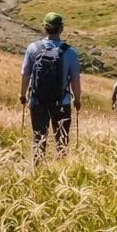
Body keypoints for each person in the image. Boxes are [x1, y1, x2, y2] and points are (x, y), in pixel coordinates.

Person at [19, 11, 82, 160]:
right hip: (62, 102)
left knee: (39, 139)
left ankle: (38, 168)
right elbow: (75, 79)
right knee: (62, 140)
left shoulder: (33, 48)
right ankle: (61, 168)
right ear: (61, 28)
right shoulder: (70, 52)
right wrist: (77, 99)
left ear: (45, 28)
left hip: (37, 101)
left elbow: (25, 74)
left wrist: (22, 94)